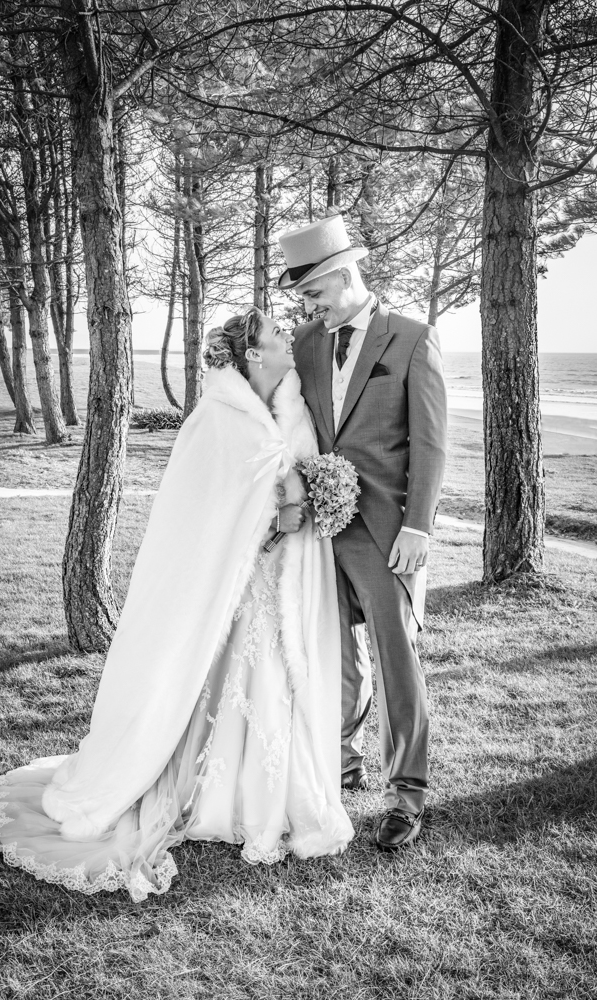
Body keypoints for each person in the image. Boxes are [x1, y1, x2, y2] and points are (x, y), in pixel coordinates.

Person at [0, 308, 354, 901]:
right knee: (219, 684)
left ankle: (261, 798)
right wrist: (277, 508)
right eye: (277, 336)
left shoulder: (295, 406)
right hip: (227, 587)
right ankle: (201, 793)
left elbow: (292, 475)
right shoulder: (217, 417)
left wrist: (309, 496)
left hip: (278, 585)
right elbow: (204, 511)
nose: (289, 341)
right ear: (253, 354)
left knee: (270, 687)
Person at [278, 215, 447, 851]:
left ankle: (406, 792)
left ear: (344, 275)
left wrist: (420, 528)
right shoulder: (305, 343)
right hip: (322, 529)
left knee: (395, 656)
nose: (308, 306)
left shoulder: (412, 338)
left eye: (314, 293)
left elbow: (431, 445)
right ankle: (341, 759)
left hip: (388, 532)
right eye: (303, 298)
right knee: (334, 653)